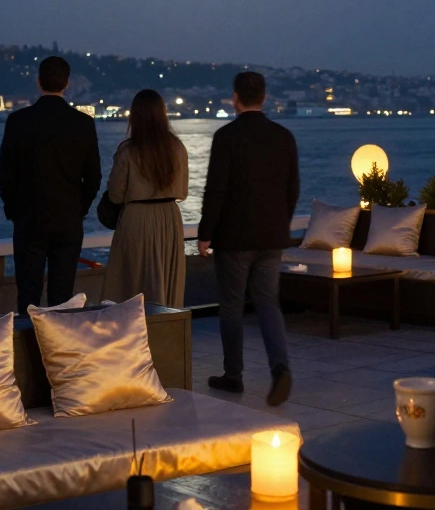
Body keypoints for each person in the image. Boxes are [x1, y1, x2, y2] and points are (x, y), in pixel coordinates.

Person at [198, 71, 298, 407]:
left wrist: (205, 233)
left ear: (235, 98)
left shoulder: (227, 137)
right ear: (264, 97)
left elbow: (216, 189)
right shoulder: (283, 136)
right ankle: (280, 367)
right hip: (272, 236)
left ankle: (233, 375)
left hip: (235, 237)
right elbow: (292, 187)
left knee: (232, 306)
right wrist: (281, 223)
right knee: (268, 303)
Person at [0, 56, 102, 315]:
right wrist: (79, 209)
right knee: (62, 298)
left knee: (28, 296)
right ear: (67, 83)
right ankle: (59, 351)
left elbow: (5, 175)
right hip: (67, 221)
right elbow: (94, 177)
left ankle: (29, 349)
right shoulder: (83, 123)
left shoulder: (19, 121)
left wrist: (14, 210)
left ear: (38, 82)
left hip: (30, 219)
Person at [102, 89, 189, 307]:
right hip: (169, 218)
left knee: (132, 282)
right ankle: (165, 326)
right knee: (165, 279)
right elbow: (183, 191)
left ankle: (133, 331)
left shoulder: (128, 151)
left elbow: (115, 194)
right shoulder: (177, 148)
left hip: (137, 218)